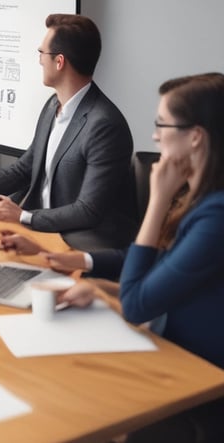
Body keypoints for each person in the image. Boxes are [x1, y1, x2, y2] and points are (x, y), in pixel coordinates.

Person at [55, 73, 224, 442]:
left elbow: (135, 305)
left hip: (199, 383)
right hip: (178, 357)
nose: (155, 136)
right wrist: (95, 281)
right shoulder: (206, 202)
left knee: (71, 395)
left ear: (195, 136)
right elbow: (162, 266)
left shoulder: (216, 217)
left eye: (162, 124)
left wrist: (158, 201)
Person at [0, 14, 136, 251]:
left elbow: (88, 210)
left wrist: (23, 217)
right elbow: (25, 168)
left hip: (83, 240)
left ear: (59, 61)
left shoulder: (105, 126)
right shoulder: (53, 105)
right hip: (42, 226)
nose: (40, 60)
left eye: (42, 53)